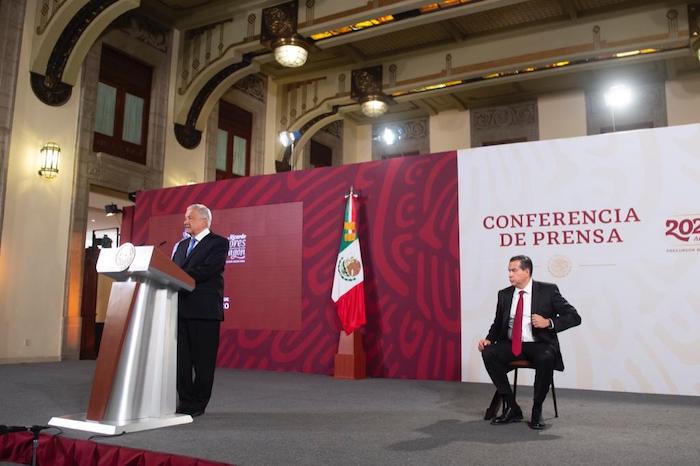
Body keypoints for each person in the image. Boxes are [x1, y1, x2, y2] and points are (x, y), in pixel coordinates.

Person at [478, 255, 581, 429]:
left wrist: (549, 322)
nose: (510, 274)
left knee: (546, 357)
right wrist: (488, 339)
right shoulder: (504, 294)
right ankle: (512, 407)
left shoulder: (548, 290)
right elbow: (497, 323)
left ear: (527, 271)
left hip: (539, 344)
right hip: (512, 343)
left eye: (514, 270)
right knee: (489, 353)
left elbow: (574, 317)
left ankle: (537, 409)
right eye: (509, 271)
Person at [172, 204, 229, 417]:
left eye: (190, 217)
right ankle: (185, 401)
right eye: (185, 217)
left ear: (204, 220)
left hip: (204, 312)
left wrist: (177, 275)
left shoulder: (219, 243)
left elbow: (207, 270)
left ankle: (198, 404)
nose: (185, 221)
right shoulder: (180, 245)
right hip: (179, 310)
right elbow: (170, 268)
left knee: (203, 362)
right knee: (181, 362)